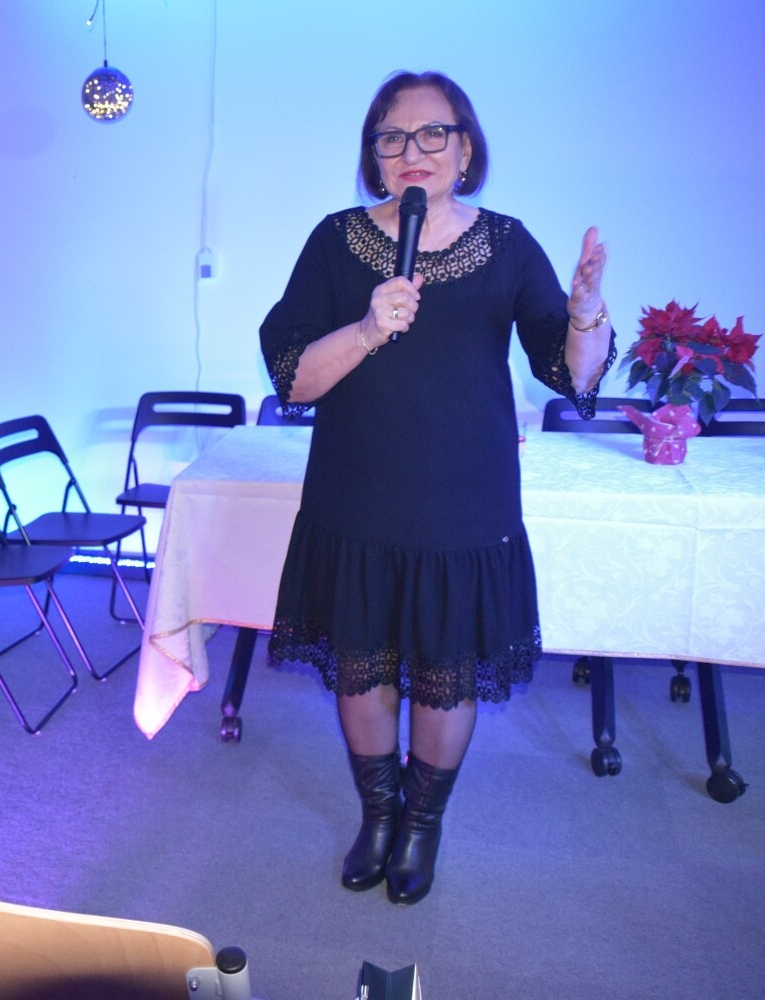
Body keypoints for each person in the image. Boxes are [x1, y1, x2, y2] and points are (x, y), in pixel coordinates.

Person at [259, 71, 613, 905]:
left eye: (432, 134)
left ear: (465, 149)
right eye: (391, 136)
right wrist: (366, 327)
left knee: (444, 670)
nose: (411, 151)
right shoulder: (335, 240)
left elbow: (569, 373)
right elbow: (292, 379)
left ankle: (422, 824)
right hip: (356, 496)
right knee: (363, 668)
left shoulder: (509, 244)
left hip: (464, 500)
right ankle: (379, 814)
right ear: (373, 155)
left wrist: (586, 312)